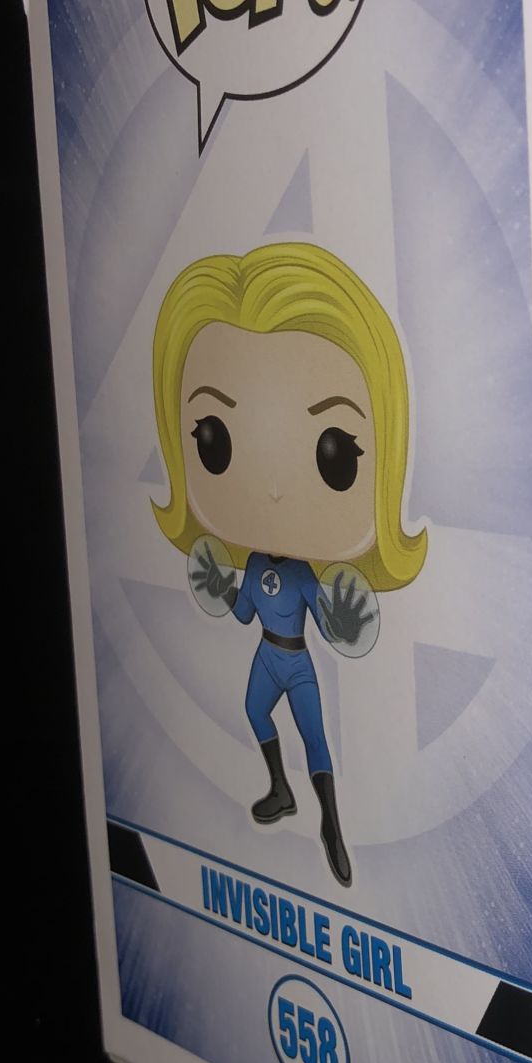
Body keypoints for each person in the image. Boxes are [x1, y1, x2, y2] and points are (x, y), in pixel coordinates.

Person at [150, 242, 427, 887]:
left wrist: (346, 621)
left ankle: (331, 822)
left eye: (336, 454)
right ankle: (281, 789)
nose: (273, 492)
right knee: (253, 711)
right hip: (266, 656)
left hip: (295, 660)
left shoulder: (302, 575)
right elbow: (242, 610)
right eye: (213, 442)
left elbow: (328, 625)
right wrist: (221, 588)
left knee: (316, 740)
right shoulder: (255, 566)